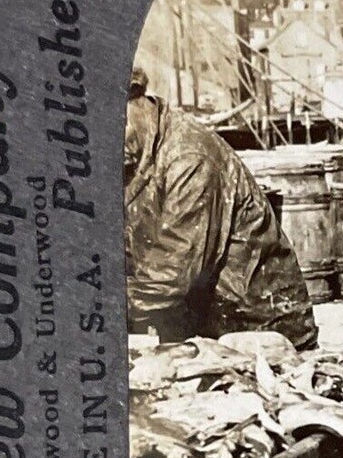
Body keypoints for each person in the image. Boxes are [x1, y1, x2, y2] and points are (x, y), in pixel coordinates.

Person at [124, 68, 316, 348]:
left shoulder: (190, 157)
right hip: (202, 330)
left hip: (261, 333)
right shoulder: (133, 151)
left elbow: (170, 274)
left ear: (137, 102)